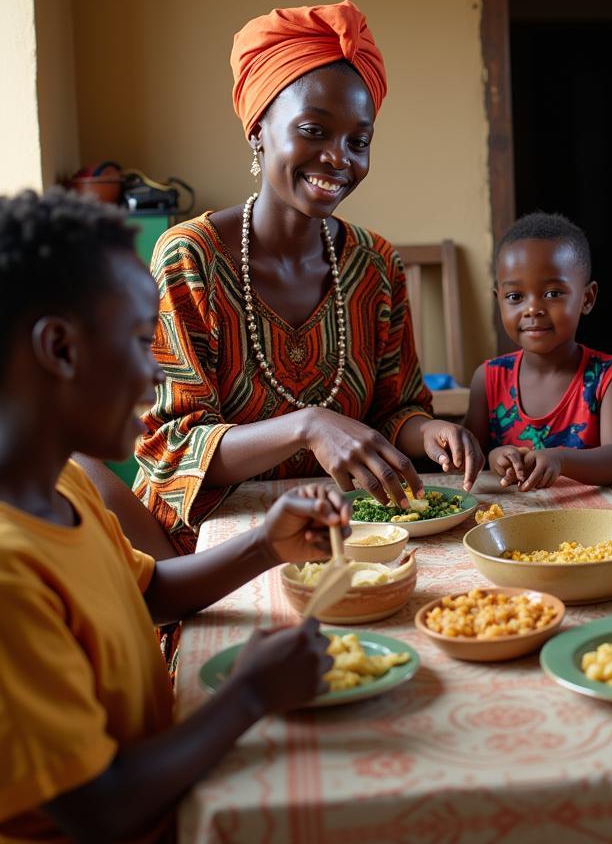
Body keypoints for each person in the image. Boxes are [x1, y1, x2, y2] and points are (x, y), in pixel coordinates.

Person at [0, 189, 351, 842]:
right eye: (140, 340)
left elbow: (151, 593)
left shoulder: (66, 487)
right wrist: (246, 696)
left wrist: (265, 546)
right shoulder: (9, 576)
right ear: (60, 348)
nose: (158, 373)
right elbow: (99, 806)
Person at [135, 0, 483, 554]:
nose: (339, 158)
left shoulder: (375, 266)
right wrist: (308, 425)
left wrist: (431, 433)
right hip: (207, 554)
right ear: (259, 131)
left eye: (358, 141)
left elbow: (396, 410)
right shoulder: (189, 260)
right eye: (314, 130)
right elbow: (174, 449)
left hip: (349, 537)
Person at [463, 212, 612, 489]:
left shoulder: (608, 377)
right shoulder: (488, 378)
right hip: (506, 523)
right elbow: (471, 456)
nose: (533, 309)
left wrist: (561, 460)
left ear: (587, 299)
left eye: (553, 293)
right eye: (515, 297)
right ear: (499, 301)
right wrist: (494, 457)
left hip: (587, 523)